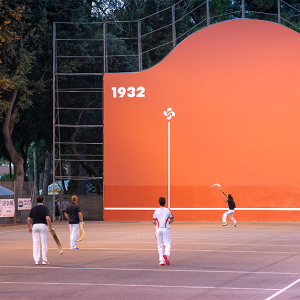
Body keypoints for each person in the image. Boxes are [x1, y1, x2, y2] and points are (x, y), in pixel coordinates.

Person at [27, 195, 53, 265]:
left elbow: (28, 219)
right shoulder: (45, 208)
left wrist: (29, 227)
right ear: (43, 201)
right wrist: (50, 226)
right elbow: (47, 218)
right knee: (44, 243)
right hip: (43, 225)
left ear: (36, 201)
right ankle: (44, 260)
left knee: (35, 243)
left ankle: (36, 260)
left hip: (35, 226)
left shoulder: (33, 208)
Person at [153, 197, 174, 266]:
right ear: (165, 202)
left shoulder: (156, 211)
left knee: (159, 245)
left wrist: (158, 225)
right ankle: (166, 255)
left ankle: (161, 260)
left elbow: (154, 221)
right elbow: (172, 219)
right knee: (168, 243)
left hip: (158, 229)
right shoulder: (168, 210)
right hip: (166, 228)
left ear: (159, 202)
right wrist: (167, 223)